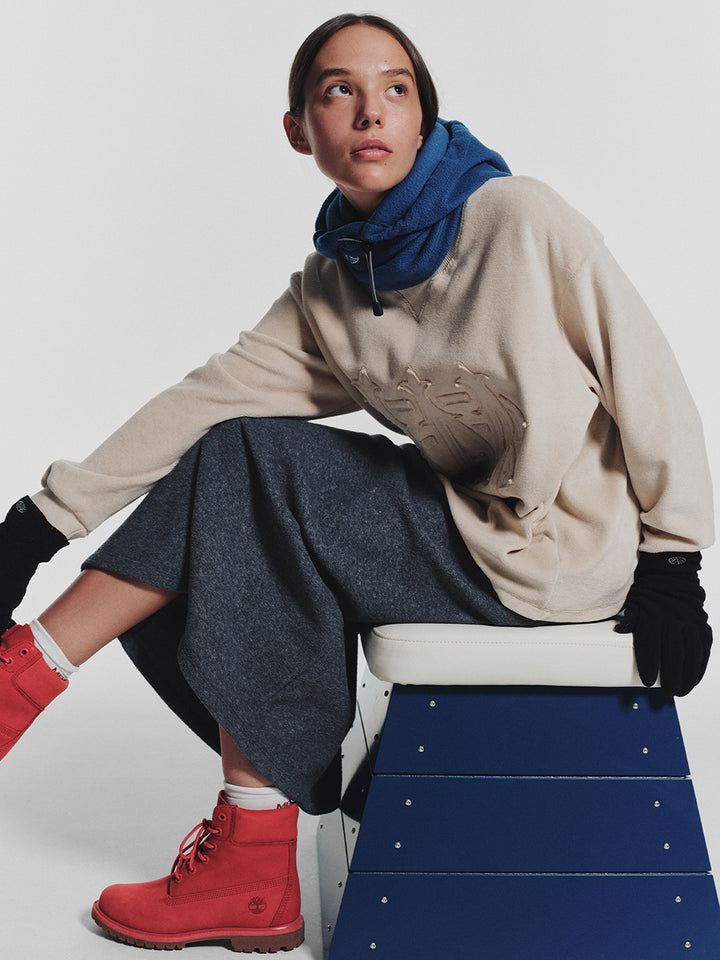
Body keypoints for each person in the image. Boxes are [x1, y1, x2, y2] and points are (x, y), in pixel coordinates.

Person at [0, 12, 713, 955]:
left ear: (423, 120)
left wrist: (675, 562)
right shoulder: (334, 290)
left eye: (396, 90)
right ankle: (246, 869)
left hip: (559, 558)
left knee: (249, 466)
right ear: (300, 130)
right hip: (459, 534)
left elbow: (648, 381)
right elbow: (202, 401)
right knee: (234, 463)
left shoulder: (520, 221)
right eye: (340, 91)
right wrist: (39, 523)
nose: (371, 112)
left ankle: (29, 682)